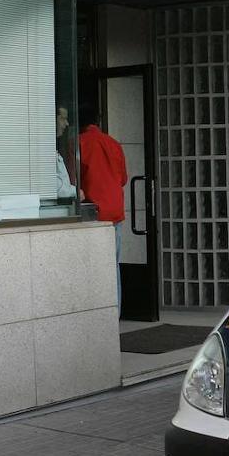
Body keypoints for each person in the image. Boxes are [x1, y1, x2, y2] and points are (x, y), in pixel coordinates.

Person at [79, 104, 128, 309]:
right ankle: (114, 313)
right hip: (115, 212)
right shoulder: (113, 143)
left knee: (92, 269)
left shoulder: (80, 142)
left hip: (94, 213)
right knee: (113, 266)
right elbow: (123, 179)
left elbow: (75, 180)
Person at [54, 107, 77, 201]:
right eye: (63, 119)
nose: (66, 124)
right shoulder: (43, 150)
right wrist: (75, 191)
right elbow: (56, 188)